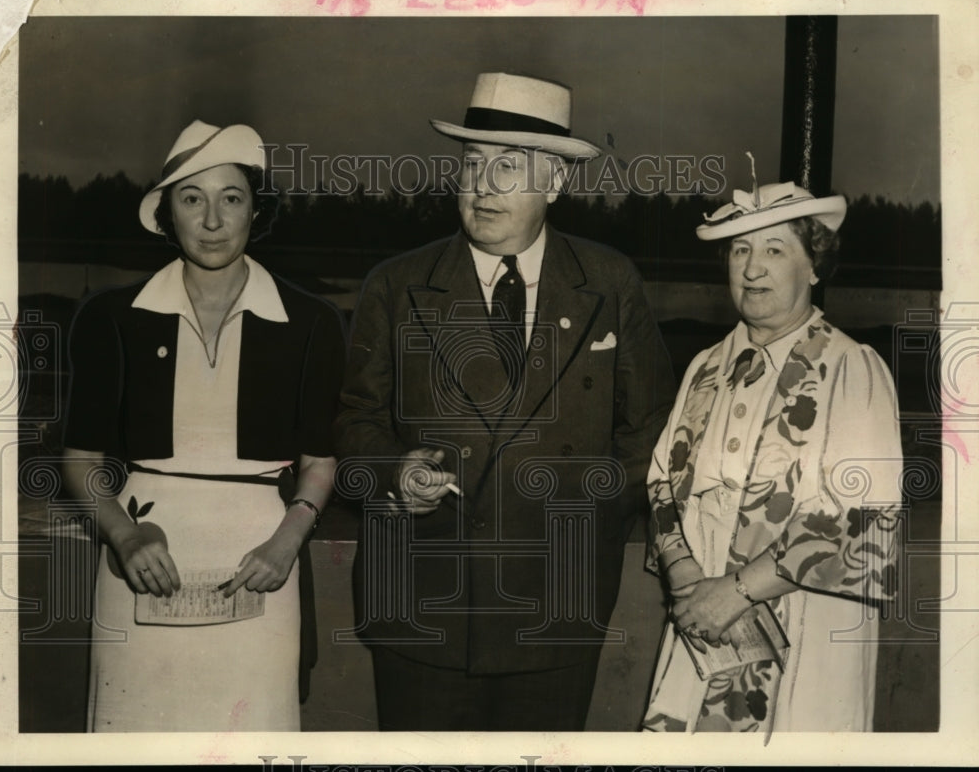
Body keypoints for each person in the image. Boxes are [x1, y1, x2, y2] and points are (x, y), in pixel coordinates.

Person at [334, 72, 676, 731]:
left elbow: (652, 430)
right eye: (473, 163)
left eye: (510, 167)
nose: (484, 184)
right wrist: (395, 475)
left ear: (556, 182)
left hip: (557, 603)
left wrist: (588, 514)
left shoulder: (609, 282)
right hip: (421, 607)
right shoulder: (397, 283)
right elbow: (356, 421)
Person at [61, 120, 346, 732]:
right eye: (192, 199)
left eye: (232, 198)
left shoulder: (311, 323)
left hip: (262, 563)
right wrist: (125, 537)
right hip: (138, 557)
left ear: (254, 211)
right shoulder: (111, 319)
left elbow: (320, 463)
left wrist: (287, 542)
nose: (212, 220)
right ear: (167, 213)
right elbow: (81, 459)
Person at [642, 169, 904, 735]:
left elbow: (866, 519)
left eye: (775, 249)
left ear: (815, 265)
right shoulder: (706, 366)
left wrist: (735, 592)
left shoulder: (851, 367)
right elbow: (661, 481)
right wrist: (686, 575)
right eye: (740, 250)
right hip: (702, 616)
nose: (753, 268)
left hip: (805, 618)